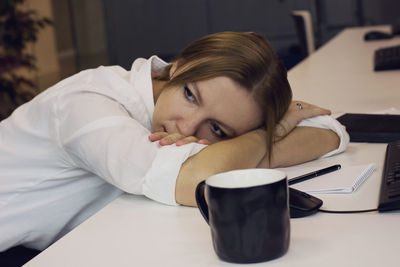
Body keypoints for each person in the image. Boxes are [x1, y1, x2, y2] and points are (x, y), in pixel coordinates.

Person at [0, 32, 349, 253]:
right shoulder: (87, 104)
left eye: (218, 130)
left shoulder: (214, 102)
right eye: (190, 95)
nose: (186, 126)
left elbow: (329, 131)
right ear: (180, 65)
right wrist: (267, 135)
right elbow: (192, 181)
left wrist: (238, 149)